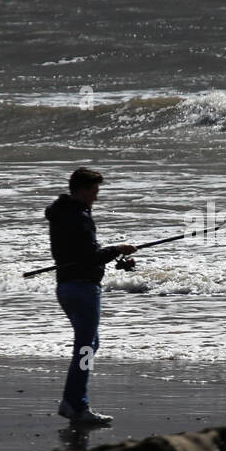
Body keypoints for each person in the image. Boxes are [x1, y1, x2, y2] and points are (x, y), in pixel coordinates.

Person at [44, 167, 135, 425]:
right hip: (83, 289)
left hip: (66, 287)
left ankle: (72, 401)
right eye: (94, 192)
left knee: (89, 345)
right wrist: (118, 249)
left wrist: (110, 253)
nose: (96, 197)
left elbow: (79, 253)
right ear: (82, 190)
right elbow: (89, 256)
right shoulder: (80, 217)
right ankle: (76, 404)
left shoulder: (60, 213)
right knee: (85, 347)